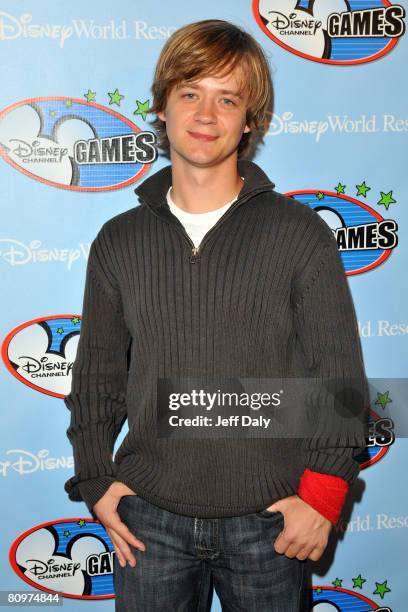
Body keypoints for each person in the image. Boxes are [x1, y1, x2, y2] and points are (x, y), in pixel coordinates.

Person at [64, 19, 369, 611]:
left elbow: (337, 373)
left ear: (249, 119)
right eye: (190, 93)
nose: (206, 114)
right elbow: (97, 374)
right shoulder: (119, 240)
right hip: (147, 524)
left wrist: (327, 492)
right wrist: (97, 478)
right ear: (162, 108)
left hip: (270, 525)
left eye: (227, 98)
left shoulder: (298, 233)